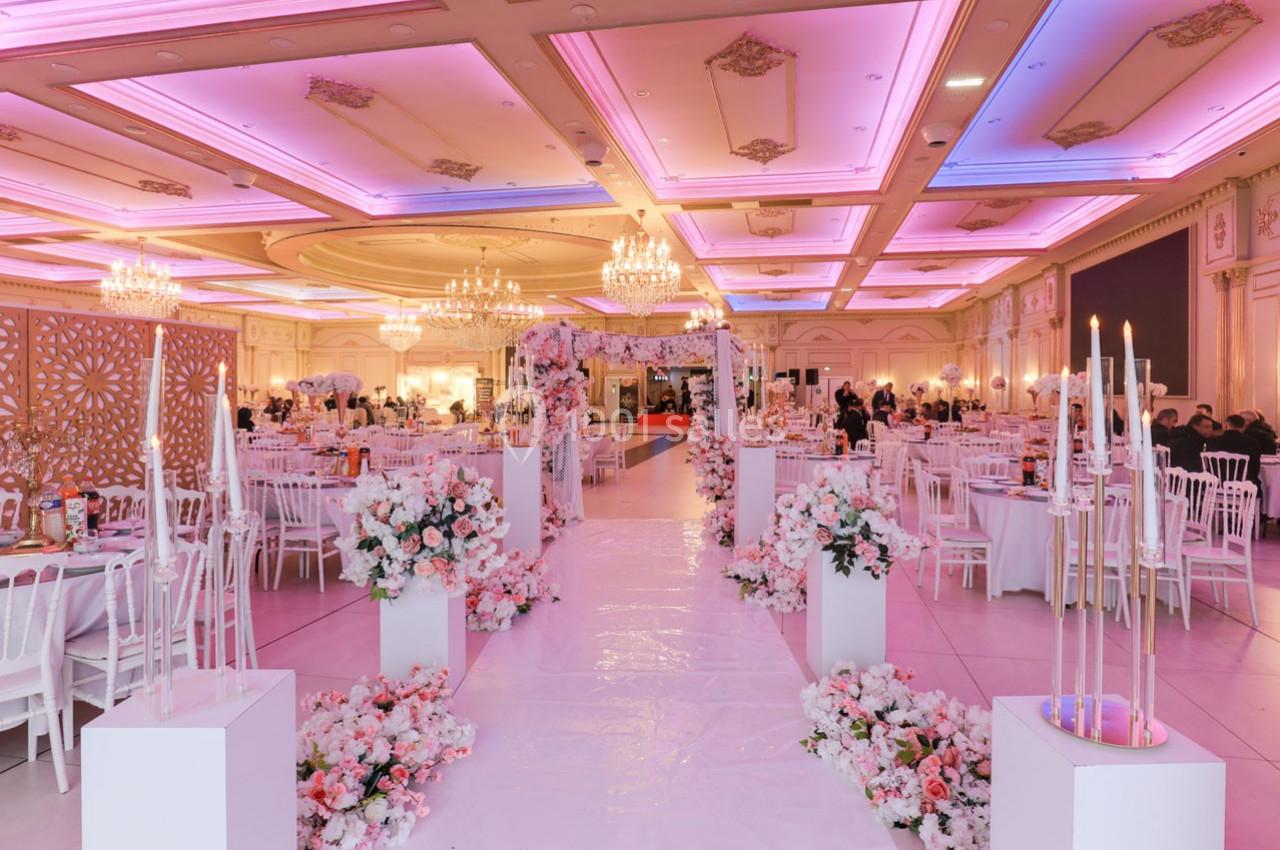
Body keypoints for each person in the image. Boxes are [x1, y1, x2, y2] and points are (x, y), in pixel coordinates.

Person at [1207, 414, 1262, 486]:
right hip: (1244, 487)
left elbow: (1210, 466)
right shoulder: (1252, 443)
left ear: (1225, 425)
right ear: (1243, 427)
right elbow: (1255, 469)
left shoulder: (1212, 442)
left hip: (1218, 485)